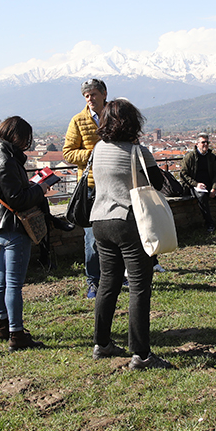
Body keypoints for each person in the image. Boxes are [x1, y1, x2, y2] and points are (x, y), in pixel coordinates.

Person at [89, 99, 173, 370]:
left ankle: (101, 344)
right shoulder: (138, 151)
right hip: (128, 222)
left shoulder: (98, 149)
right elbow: (158, 184)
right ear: (131, 122)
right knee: (139, 287)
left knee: (107, 283)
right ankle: (141, 354)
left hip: (100, 222)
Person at [0, 116, 52, 350]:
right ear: (16, 137)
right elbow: (18, 200)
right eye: (26, 138)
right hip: (14, 228)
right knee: (14, 284)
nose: (27, 143)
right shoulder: (6, 162)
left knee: (1, 279)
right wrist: (40, 188)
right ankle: (17, 334)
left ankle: (2, 326)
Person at [64, 78, 106, 298]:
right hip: (90, 186)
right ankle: (93, 281)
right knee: (91, 238)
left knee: (118, 233)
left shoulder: (115, 116)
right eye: (86, 95)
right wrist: (92, 154)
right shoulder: (78, 120)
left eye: (93, 94)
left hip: (115, 183)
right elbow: (68, 153)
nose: (90, 98)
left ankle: (117, 275)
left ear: (104, 94)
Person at [179, 133, 216, 233]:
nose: (205, 144)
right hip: (196, 186)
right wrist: (196, 184)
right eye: (203, 142)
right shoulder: (190, 157)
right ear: (197, 144)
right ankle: (209, 224)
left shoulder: (211, 157)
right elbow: (183, 174)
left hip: (210, 185)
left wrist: (214, 188)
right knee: (202, 197)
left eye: (207, 142)